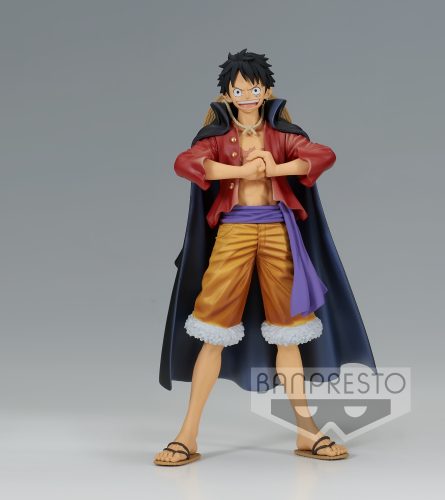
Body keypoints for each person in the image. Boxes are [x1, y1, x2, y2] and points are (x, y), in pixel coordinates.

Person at [155, 49, 376, 466]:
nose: (246, 96)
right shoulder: (216, 137)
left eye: (253, 89)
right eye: (238, 90)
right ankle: (188, 434)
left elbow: (322, 155)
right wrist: (242, 172)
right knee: (212, 328)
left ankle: (307, 431)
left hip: (277, 231)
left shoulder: (282, 134)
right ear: (226, 95)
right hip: (234, 231)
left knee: (289, 330)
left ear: (266, 91)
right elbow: (187, 163)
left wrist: (275, 168)